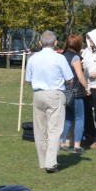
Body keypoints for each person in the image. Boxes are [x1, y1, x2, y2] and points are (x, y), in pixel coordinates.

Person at [25, 31, 73, 173]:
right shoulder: (59, 58)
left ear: (40, 43)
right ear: (56, 43)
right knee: (54, 130)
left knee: (40, 130)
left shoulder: (33, 58)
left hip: (38, 94)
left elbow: (28, 80)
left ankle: (43, 160)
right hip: (55, 94)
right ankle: (51, 163)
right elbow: (69, 78)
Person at [58, 34, 89, 153]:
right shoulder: (75, 58)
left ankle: (62, 142)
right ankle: (77, 146)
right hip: (75, 91)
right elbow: (80, 76)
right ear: (78, 45)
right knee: (80, 118)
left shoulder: (62, 56)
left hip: (64, 92)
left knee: (67, 118)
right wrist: (87, 88)